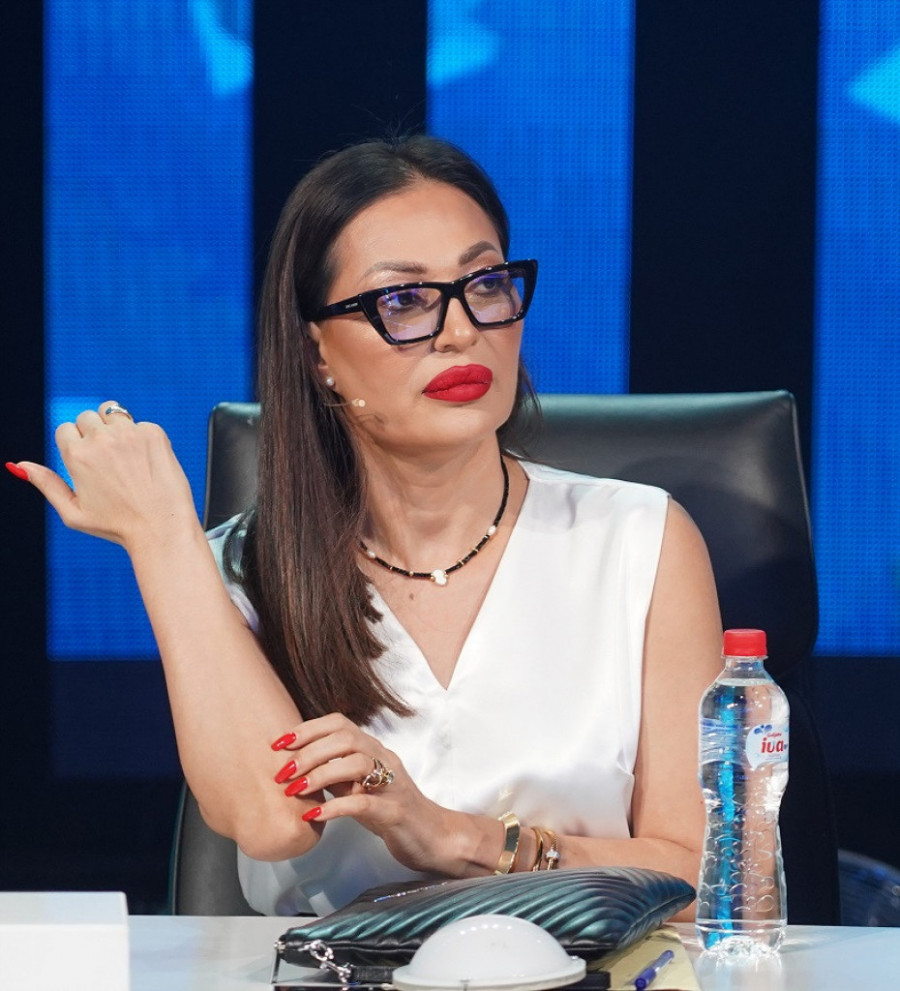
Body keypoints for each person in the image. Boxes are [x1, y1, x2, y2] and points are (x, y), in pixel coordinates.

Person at [7, 135, 722, 917]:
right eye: (404, 300)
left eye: (485, 284)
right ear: (316, 350)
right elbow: (272, 821)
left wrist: (460, 838)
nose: (460, 330)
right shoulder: (242, 569)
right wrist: (161, 538)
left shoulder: (639, 540)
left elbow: (704, 879)